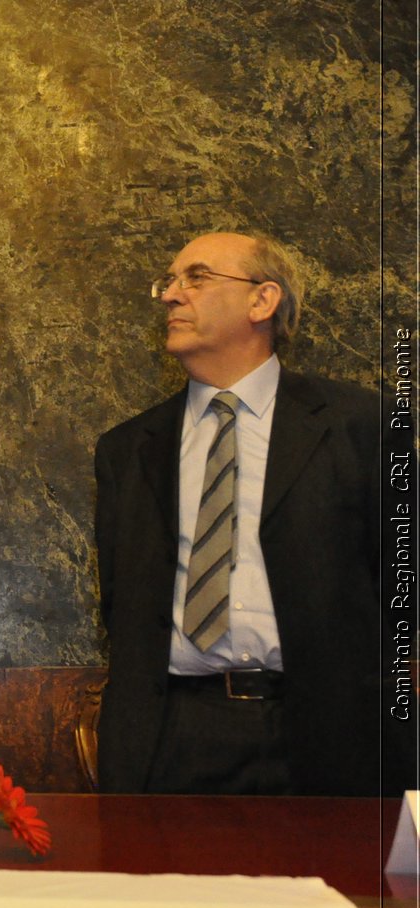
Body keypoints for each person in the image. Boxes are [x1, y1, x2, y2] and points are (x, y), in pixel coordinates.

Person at [95, 232, 388, 795]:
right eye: (170, 280)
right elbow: (122, 601)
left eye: (196, 278)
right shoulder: (127, 449)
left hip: (332, 735)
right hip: (176, 737)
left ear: (262, 301)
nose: (170, 295)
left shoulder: (360, 426)